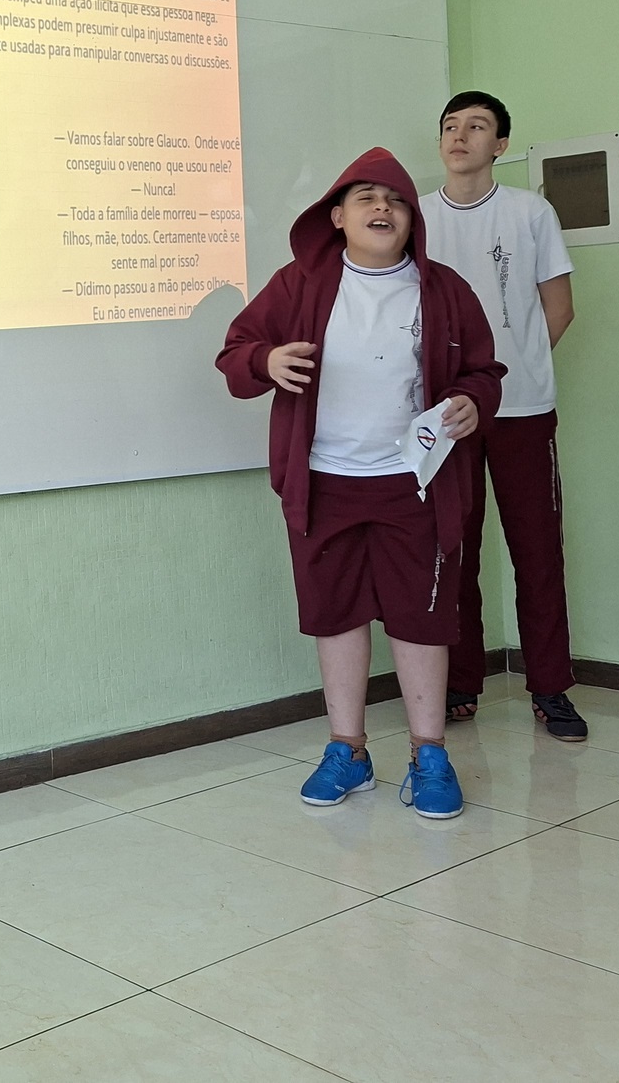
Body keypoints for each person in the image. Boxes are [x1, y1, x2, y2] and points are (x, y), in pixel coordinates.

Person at [218, 148, 502, 819]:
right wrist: (267, 359)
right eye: (367, 197)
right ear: (338, 217)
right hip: (324, 483)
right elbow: (235, 355)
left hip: (417, 483)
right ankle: (348, 749)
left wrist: (472, 400)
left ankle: (429, 754)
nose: (383, 208)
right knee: (336, 615)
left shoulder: (444, 289)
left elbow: (484, 372)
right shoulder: (299, 285)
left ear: (412, 220)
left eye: (397, 199)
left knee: (421, 618)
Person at [419, 92, 584, 739]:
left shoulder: (530, 212)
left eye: (477, 126)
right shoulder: (416, 217)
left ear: (501, 144)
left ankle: (551, 687)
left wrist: (515, 370)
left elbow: (560, 308)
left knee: (537, 549)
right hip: (446, 416)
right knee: (453, 549)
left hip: (522, 409)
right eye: (450, 126)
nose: (460, 136)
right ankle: (461, 681)